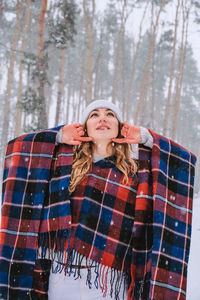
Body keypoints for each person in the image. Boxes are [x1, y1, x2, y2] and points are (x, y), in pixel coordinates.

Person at [0, 100, 196, 300]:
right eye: (94, 115)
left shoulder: (137, 170)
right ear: (84, 127)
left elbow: (183, 161)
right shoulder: (63, 163)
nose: (102, 117)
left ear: (120, 127)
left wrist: (146, 137)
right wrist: (58, 135)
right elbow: (18, 148)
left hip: (110, 283)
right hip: (62, 277)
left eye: (110, 114)